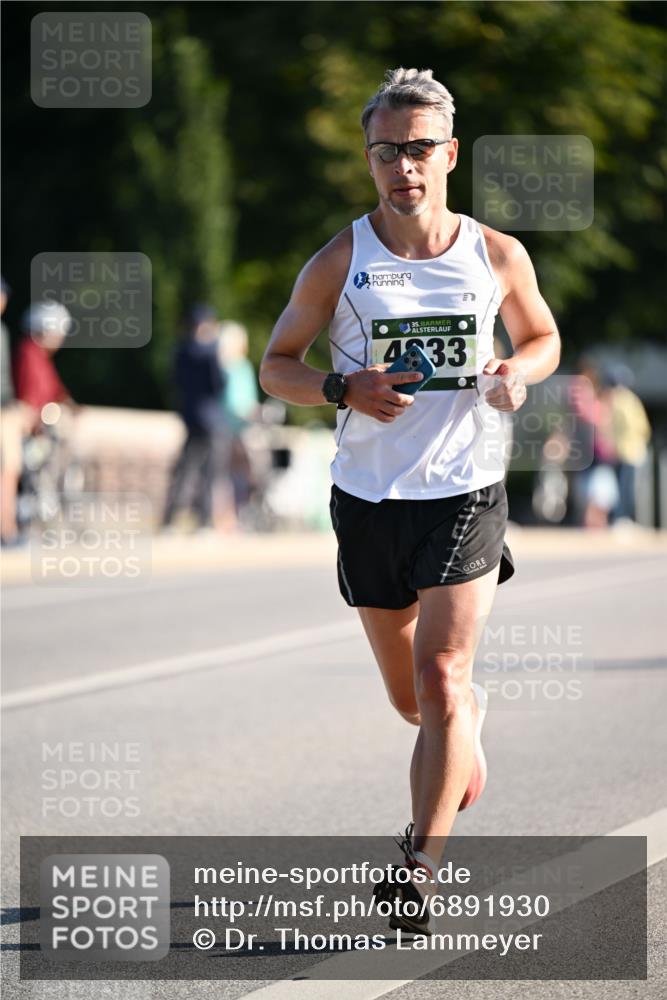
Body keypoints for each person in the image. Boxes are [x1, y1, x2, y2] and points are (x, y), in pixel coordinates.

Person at [260, 67, 560, 932]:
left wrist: (516, 373)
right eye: (386, 151)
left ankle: (418, 868)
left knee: (440, 676)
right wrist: (339, 389)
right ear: (370, 161)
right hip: (366, 495)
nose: (404, 166)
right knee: (413, 702)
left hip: (463, 485)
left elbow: (539, 336)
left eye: (419, 147)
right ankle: (460, 725)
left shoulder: (494, 253)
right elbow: (276, 363)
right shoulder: (340, 259)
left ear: (448, 153)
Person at [162, 305, 229, 532]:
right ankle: (204, 522)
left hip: (190, 416)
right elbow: (218, 384)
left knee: (185, 471)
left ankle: (169, 520)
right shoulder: (210, 352)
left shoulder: (180, 351)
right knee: (209, 474)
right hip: (211, 419)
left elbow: (176, 383)